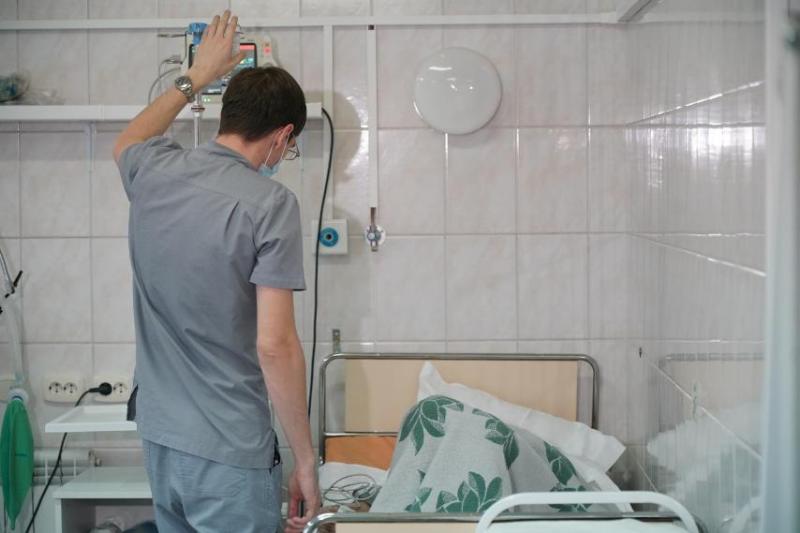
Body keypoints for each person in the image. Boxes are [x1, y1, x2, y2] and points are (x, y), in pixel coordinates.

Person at [112, 11, 320, 533]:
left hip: (161, 440)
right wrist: (304, 459)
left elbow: (126, 140)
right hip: (229, 449)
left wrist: (196, 76)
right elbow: (275, 346)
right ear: (282, 135)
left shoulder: (153, 170)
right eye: (291, 145)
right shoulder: (271, 204)